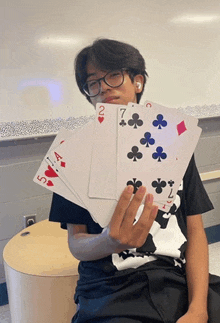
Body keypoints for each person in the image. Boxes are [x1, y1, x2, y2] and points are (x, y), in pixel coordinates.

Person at [49, 38, 220, 323]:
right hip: (110, 287)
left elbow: (195, 232)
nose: (103, 87)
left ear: (137, 81)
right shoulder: (73, 154)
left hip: (176, 277)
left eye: (113, 75)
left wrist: (198, 309)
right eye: (93, 83)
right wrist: (108, 241)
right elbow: (76, 243)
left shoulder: (175, 144)